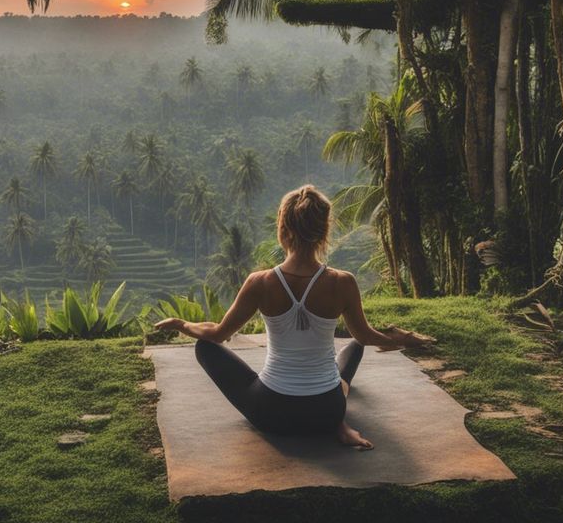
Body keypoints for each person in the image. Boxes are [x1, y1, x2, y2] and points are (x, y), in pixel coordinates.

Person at [155, 184, 434, 448]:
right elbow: (365, 335)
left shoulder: (260, 282)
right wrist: (403, 339)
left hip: (271, 413)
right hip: (327, 413)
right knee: (355, 347)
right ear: (324, 230)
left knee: (205, 347)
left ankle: (337, 413)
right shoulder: (343, 282)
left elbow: (217, 334)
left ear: (283, 229)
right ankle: (340, 423)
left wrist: (181, 324)